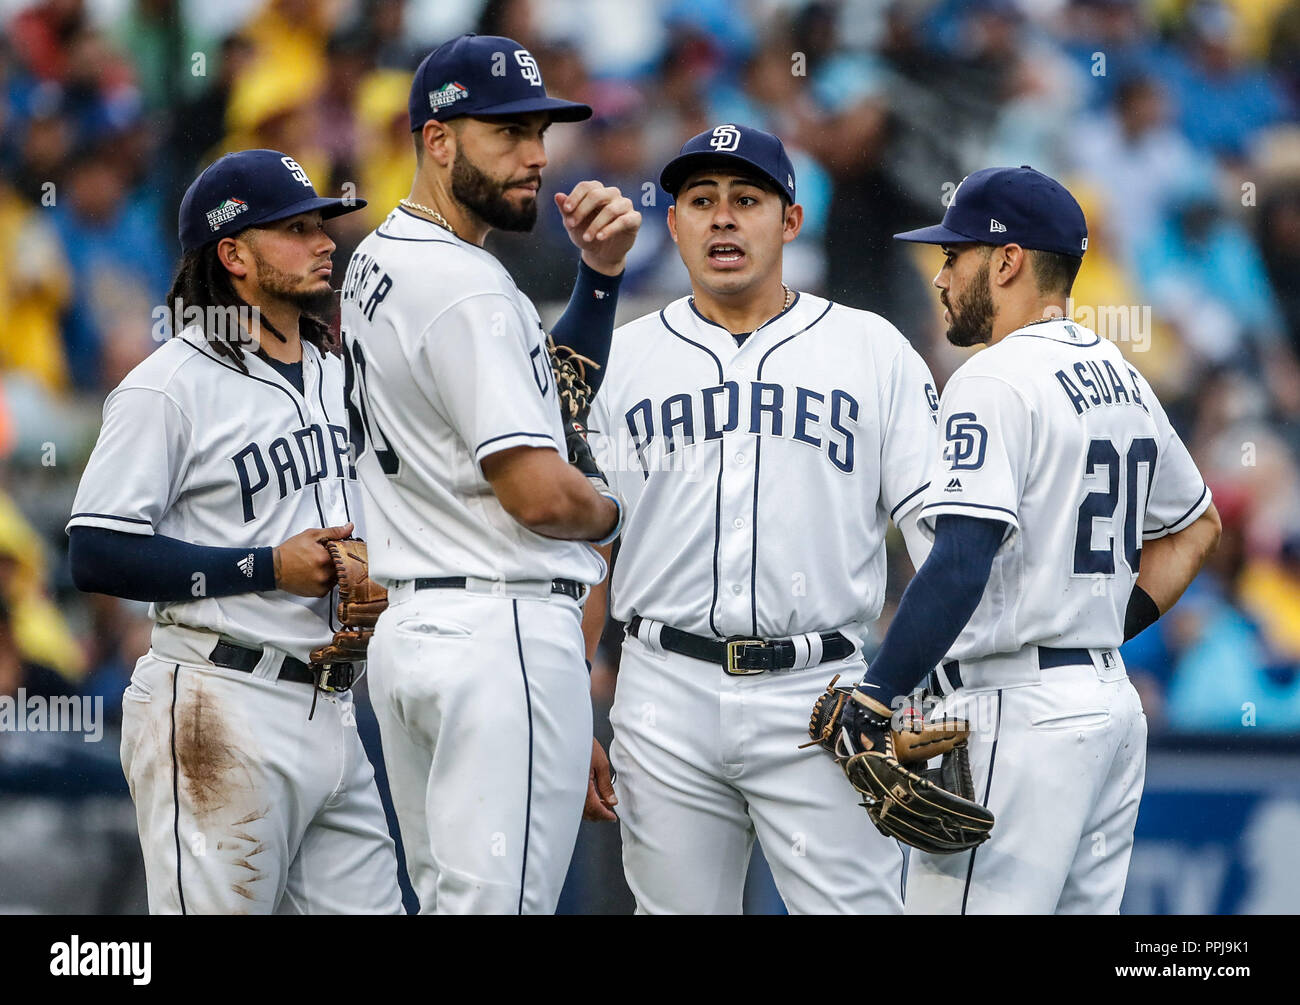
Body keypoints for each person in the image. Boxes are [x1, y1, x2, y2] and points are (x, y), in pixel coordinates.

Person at [837, 165, 1220, 914]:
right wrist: (1100, 626)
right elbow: (1197, 528)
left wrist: (876, 693)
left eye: (956, 256)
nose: (942, 276)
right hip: (1108, 704)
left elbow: (958, 562)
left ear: (1007, 260)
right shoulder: (1121, 372)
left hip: (1020, 710)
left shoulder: (993, 378)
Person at [583, 124, 941, 914]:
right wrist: (579, 709)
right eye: (700, 200)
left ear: (790, 221)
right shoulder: (624, 357)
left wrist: (922, 685)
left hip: (824, 693)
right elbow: (587, 554)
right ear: (671, 223)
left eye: (747, 199)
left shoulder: (870, 348)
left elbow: (940, 541)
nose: (722, 219)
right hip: (662, 686)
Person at [340, 33, 641, 914]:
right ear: (438, 140)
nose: (536, 157)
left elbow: (543, 401)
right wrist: (616, 510)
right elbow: (542, 494)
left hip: (419, 633)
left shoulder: (380, 258)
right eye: (506, 133)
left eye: (540, 132)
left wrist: (598, 281)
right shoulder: (468, 288)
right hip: (496, 632)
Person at [66, 149, 403, 915]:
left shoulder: (329, 372)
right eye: (295, 227)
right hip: (218, 702)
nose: (324, 241)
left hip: (332, 704)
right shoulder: (167, 385)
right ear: (234, 253)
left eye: (323, 225)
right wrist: (266, 566)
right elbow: (96, 549)